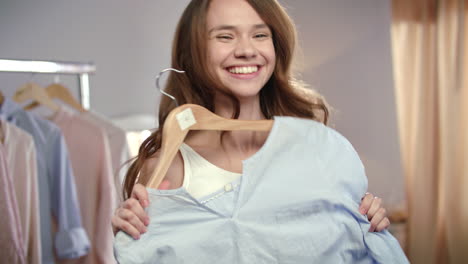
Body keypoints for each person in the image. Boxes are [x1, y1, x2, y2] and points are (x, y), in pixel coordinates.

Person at [113, 0, 407, 263]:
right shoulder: (168, 167)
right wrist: (130, 234)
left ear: (276, 47)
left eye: (260, 34)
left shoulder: (316, 150)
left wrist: (366, 220)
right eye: (225, 36)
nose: (245, 50)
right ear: (193, 53)